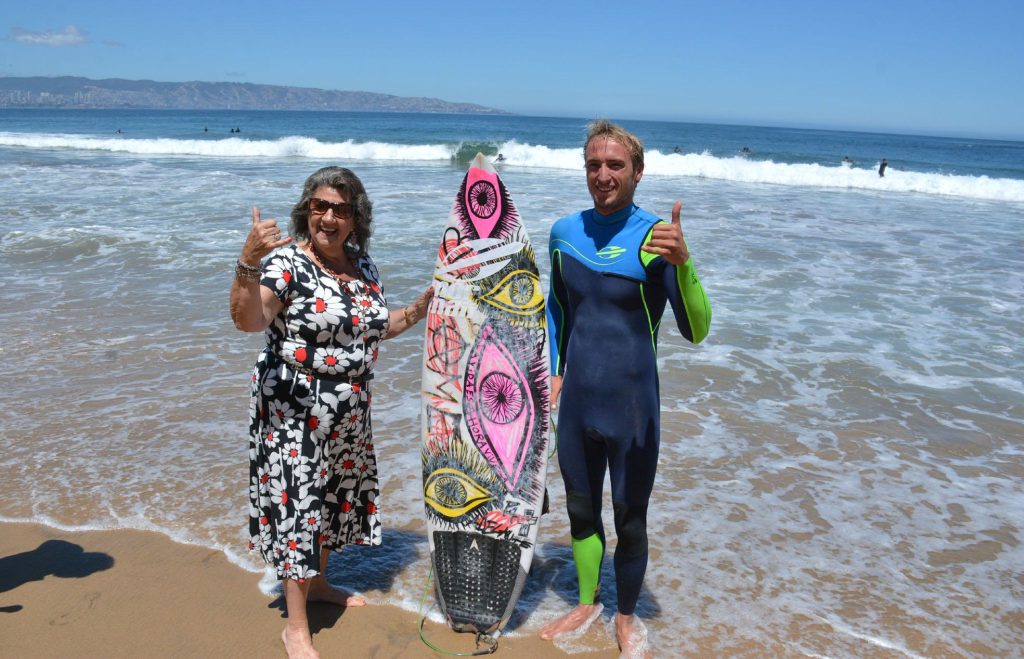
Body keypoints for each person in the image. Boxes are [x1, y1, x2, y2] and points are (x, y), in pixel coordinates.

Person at [229, 166, 432, 658]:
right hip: (293, 409)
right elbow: (248, 320)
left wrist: (421, 308)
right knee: (298, 507)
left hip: (348, 410)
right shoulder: (285, 265)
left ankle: (318, 585)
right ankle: (296, 627)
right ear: (306, 212)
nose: (329, 217)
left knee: (329, 501)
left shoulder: (365, 268)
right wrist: (247, 261)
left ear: (356, 219)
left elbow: (374, 329)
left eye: (341, 209)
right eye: (320, 207)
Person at [539, 120, 711, 657]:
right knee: (581, 511)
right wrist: (555, 369)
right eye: (594, 165)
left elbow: (697, 328)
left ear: (638, 171)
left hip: (633, 408)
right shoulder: (564, 232)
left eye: (616, 165)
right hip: (578, 405)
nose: (604, 175)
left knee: (630, 518)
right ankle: (589, 601)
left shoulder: (658, 237)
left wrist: (684, 266)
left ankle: (628, 614)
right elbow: (558, 308)